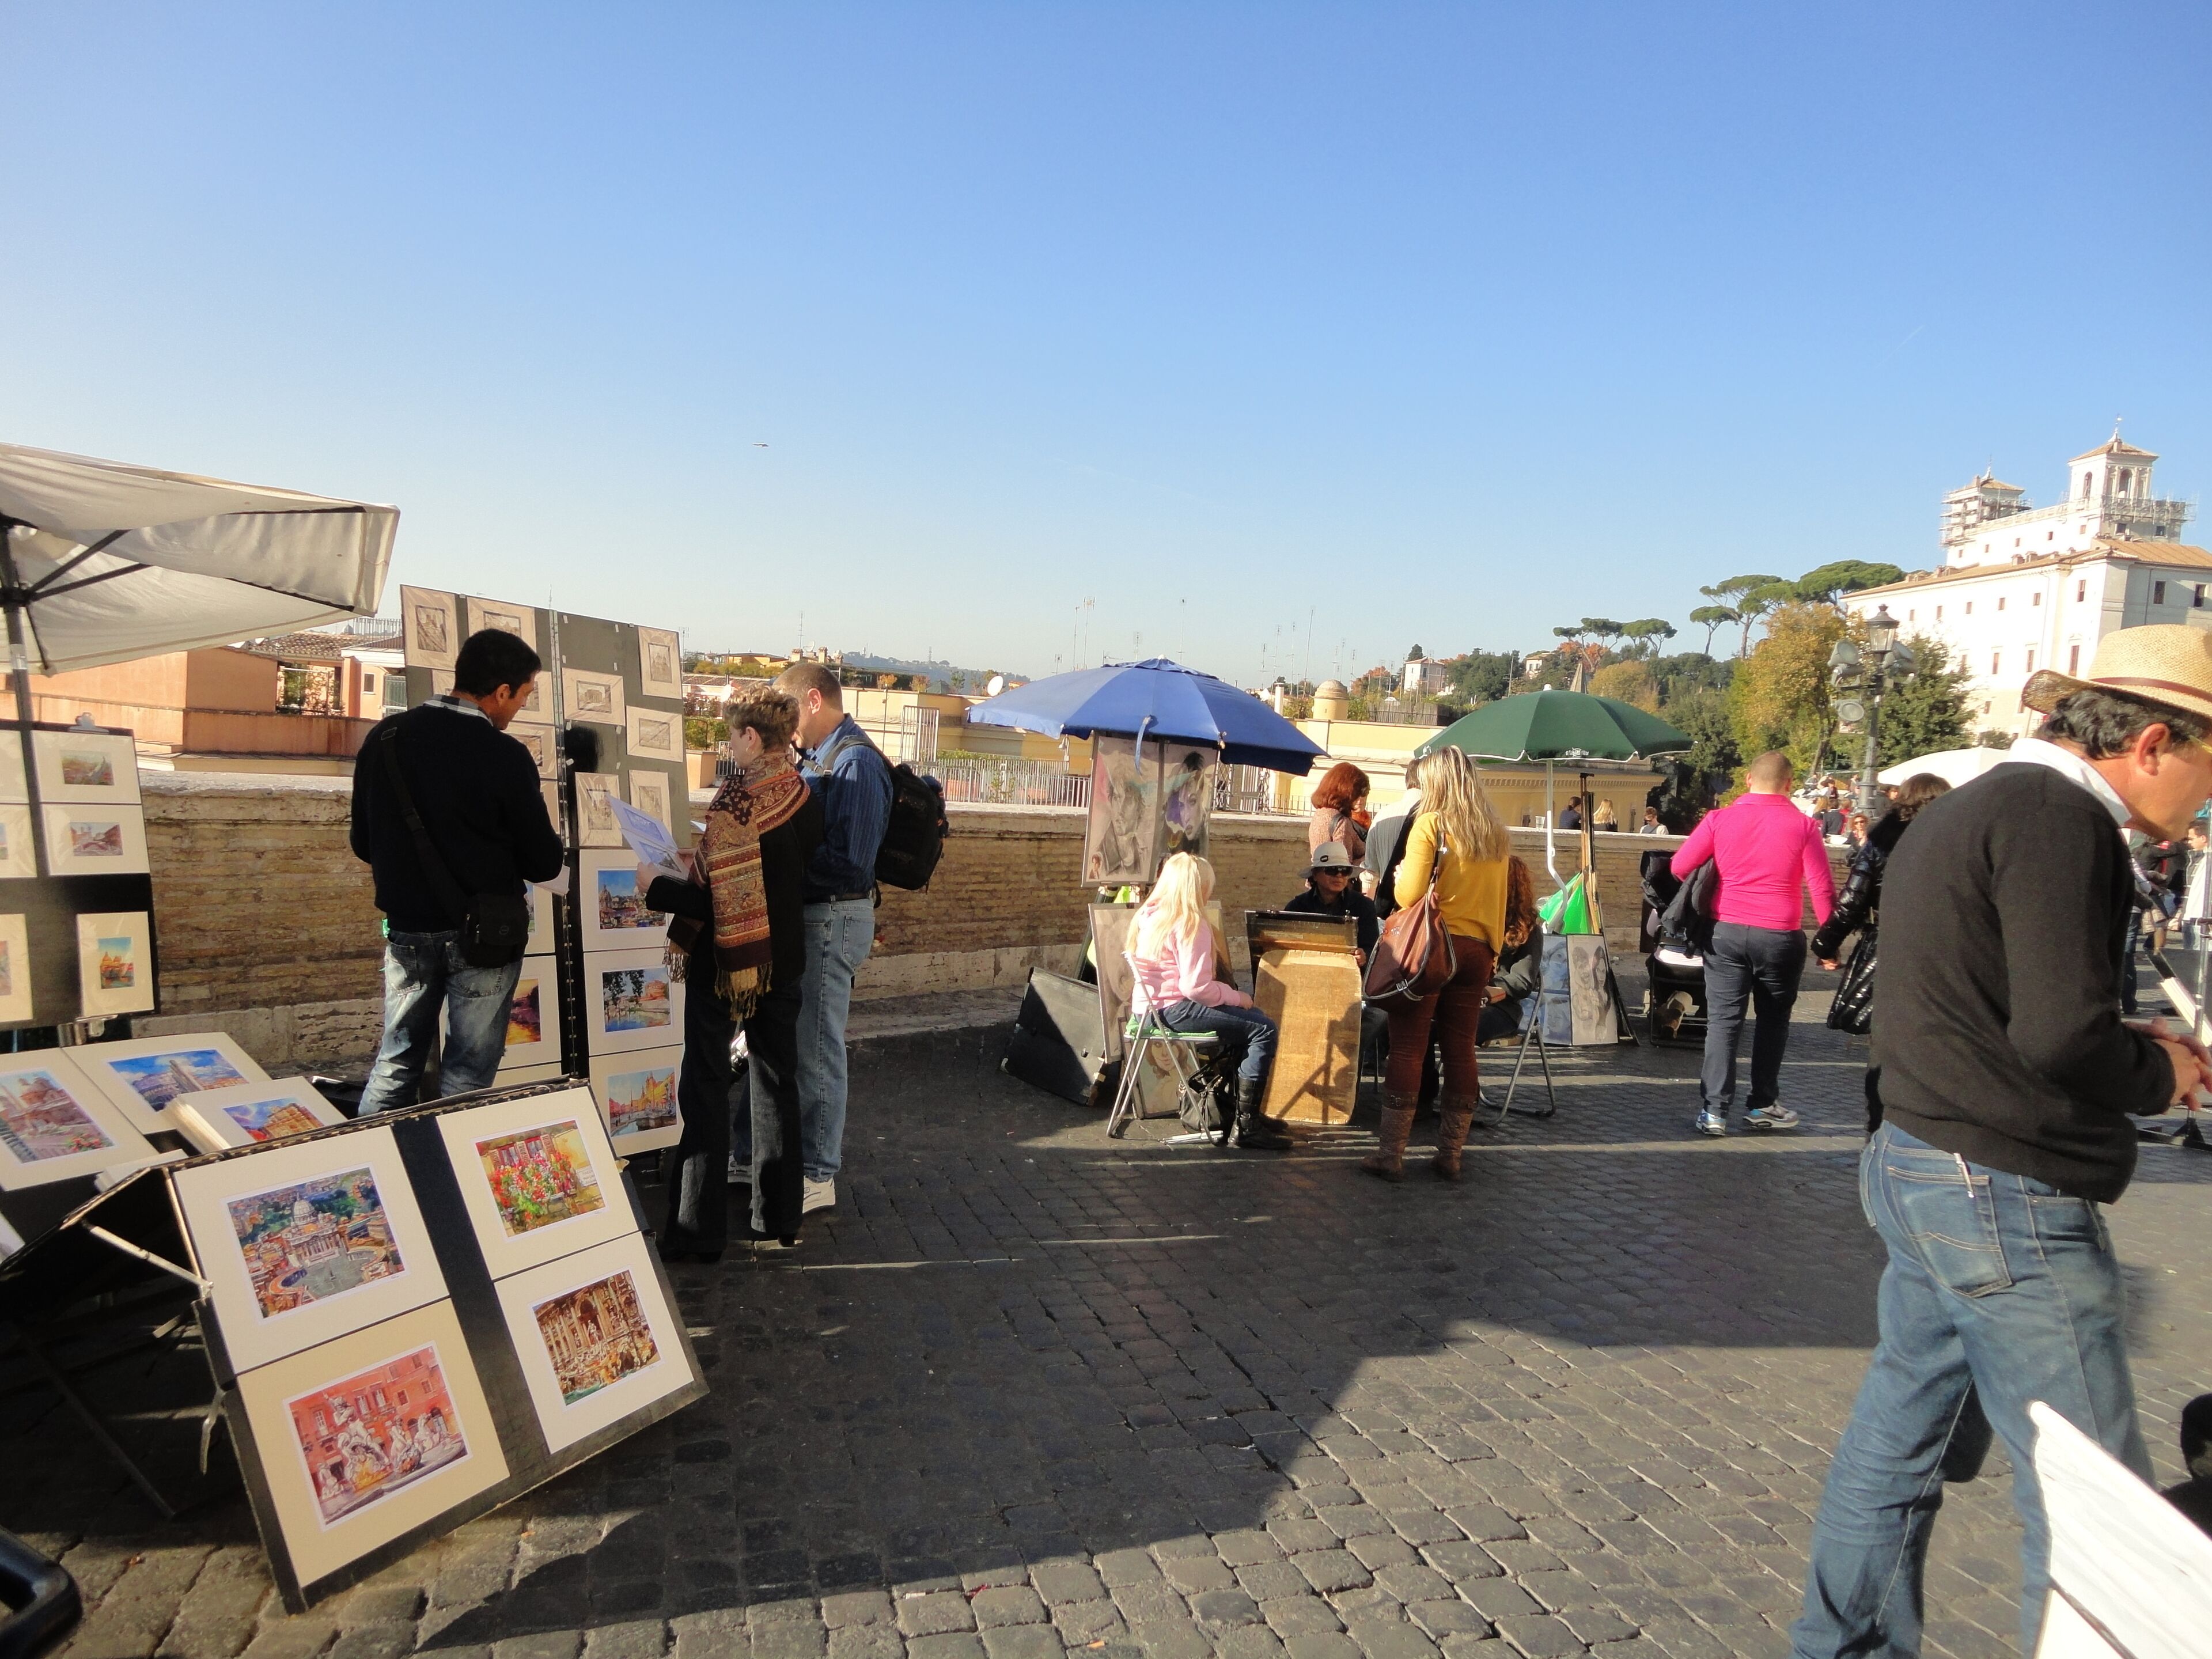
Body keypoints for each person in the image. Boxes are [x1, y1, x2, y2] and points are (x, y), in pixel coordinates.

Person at [1792, 625, 2212, 1658]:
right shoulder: (2057, 820)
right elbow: (2058, 1032)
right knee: (2093, 1497)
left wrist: (2123, 1038)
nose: (2206, 800)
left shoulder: (1976, 804)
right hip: (2001, 1188)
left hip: (1925, 1155)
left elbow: (1988, 998)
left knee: (1900, 1446)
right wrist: (2166, 1071)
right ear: (2154, 742)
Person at [351, 629, 563, 1112]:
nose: (519, 710)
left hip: (407, 928)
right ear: (502, 691)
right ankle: (448, 1179)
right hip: (486, 936)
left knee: (396, 1061)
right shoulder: (504, 755)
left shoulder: (384, 740)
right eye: (524, 696)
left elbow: (364, 843)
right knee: (468, 1071)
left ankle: (375, 1174)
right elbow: (544, 862)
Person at [650, 688, 823, 1259]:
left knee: (703, 1087)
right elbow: (790, 877)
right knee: (776, 1085)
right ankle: (778, 1219)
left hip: (724, 966)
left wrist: (658, 884)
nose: (728, 745)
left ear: (752, 738)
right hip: (785, 960)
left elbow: (712, 904)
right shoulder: (801, 794)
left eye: (732, 735)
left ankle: (696, 1233)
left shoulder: (733, 811)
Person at [774, 662, 893, 1215]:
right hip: (821, 918)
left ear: (814, 700)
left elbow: (851, 863)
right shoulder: (827, 759)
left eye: (789, 712)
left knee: (819, 1050)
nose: (786, 727)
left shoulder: (857, 763)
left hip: (833, 918)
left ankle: (818, 1174)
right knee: (807, 1045)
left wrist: (784, 870)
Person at [1669, 749, 1836, 1136]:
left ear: (1747, 779)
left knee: (1723, 1024)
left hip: (1725, 932)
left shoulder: (1719, 819)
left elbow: (1679, 867)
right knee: (1773, 1023)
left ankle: (1714, 1113)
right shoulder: (1805, 827)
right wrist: (1828, 944)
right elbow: (1822, 888)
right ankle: (1763, 1104)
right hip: (1781, 935)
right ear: (1789, 784)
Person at [1366, 746, 1513, 1184]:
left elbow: (1410, 896)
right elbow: (1500, 903)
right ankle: (1451, 1154)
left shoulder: (1432, 824)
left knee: (1409, 1047)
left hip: (1434, 948)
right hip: (1479, 951)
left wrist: (1396, 880)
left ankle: (1391, 1155)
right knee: (1461, 1048)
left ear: (1439, 783)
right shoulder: (1496, 833)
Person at [1126, 853, 1292, 1151]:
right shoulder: (1190, 922)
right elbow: (1196, 988)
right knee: (1263, 1028)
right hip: (1176, 1008)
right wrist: (1238, 998)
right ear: (1199, 886)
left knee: (1247, 1027)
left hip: (1149, 1011)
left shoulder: (1149, 915)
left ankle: (1244, 1114)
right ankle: (1247, 1126)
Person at [1810, 773, 1952, 993]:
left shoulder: (1882, 839)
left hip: (1890, 940)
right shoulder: (1959, 840)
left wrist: (1825, 944)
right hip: (1948, 947)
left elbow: (1853, 900)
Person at [1475, 856, 1541, 1049]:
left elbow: (1522, 982)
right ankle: (1424, 1078)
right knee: (1422, 1021)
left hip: (1502, 1010)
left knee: (1455, 1027)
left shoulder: (1529, 931)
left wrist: (1486, 988)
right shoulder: (1479, 919)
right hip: (1468, 1000)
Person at [1283, 842, 1379, 959]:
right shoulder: (1296, 908)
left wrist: (1364, 956)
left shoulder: (1364, 907)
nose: (1339, 875)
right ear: (1315, 875)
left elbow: (1373, 950)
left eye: (1345, 871)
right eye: (1332, 870)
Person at [1362, 762, 1421, 909]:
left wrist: (1369, 914)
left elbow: (1370, 875)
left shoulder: (1382, 815)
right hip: (1417, 909)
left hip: (1386, 905)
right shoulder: (1432, 815)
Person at [1307, 762, 1370, 865]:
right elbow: (1344, 867)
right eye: (1355, 793)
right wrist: (1369, 858)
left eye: (1364, 792)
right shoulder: (1341, 822)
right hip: (1335, 881)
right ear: (1344, 791)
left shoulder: (1320, 813)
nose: (1360, 800)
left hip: (1317, 878)